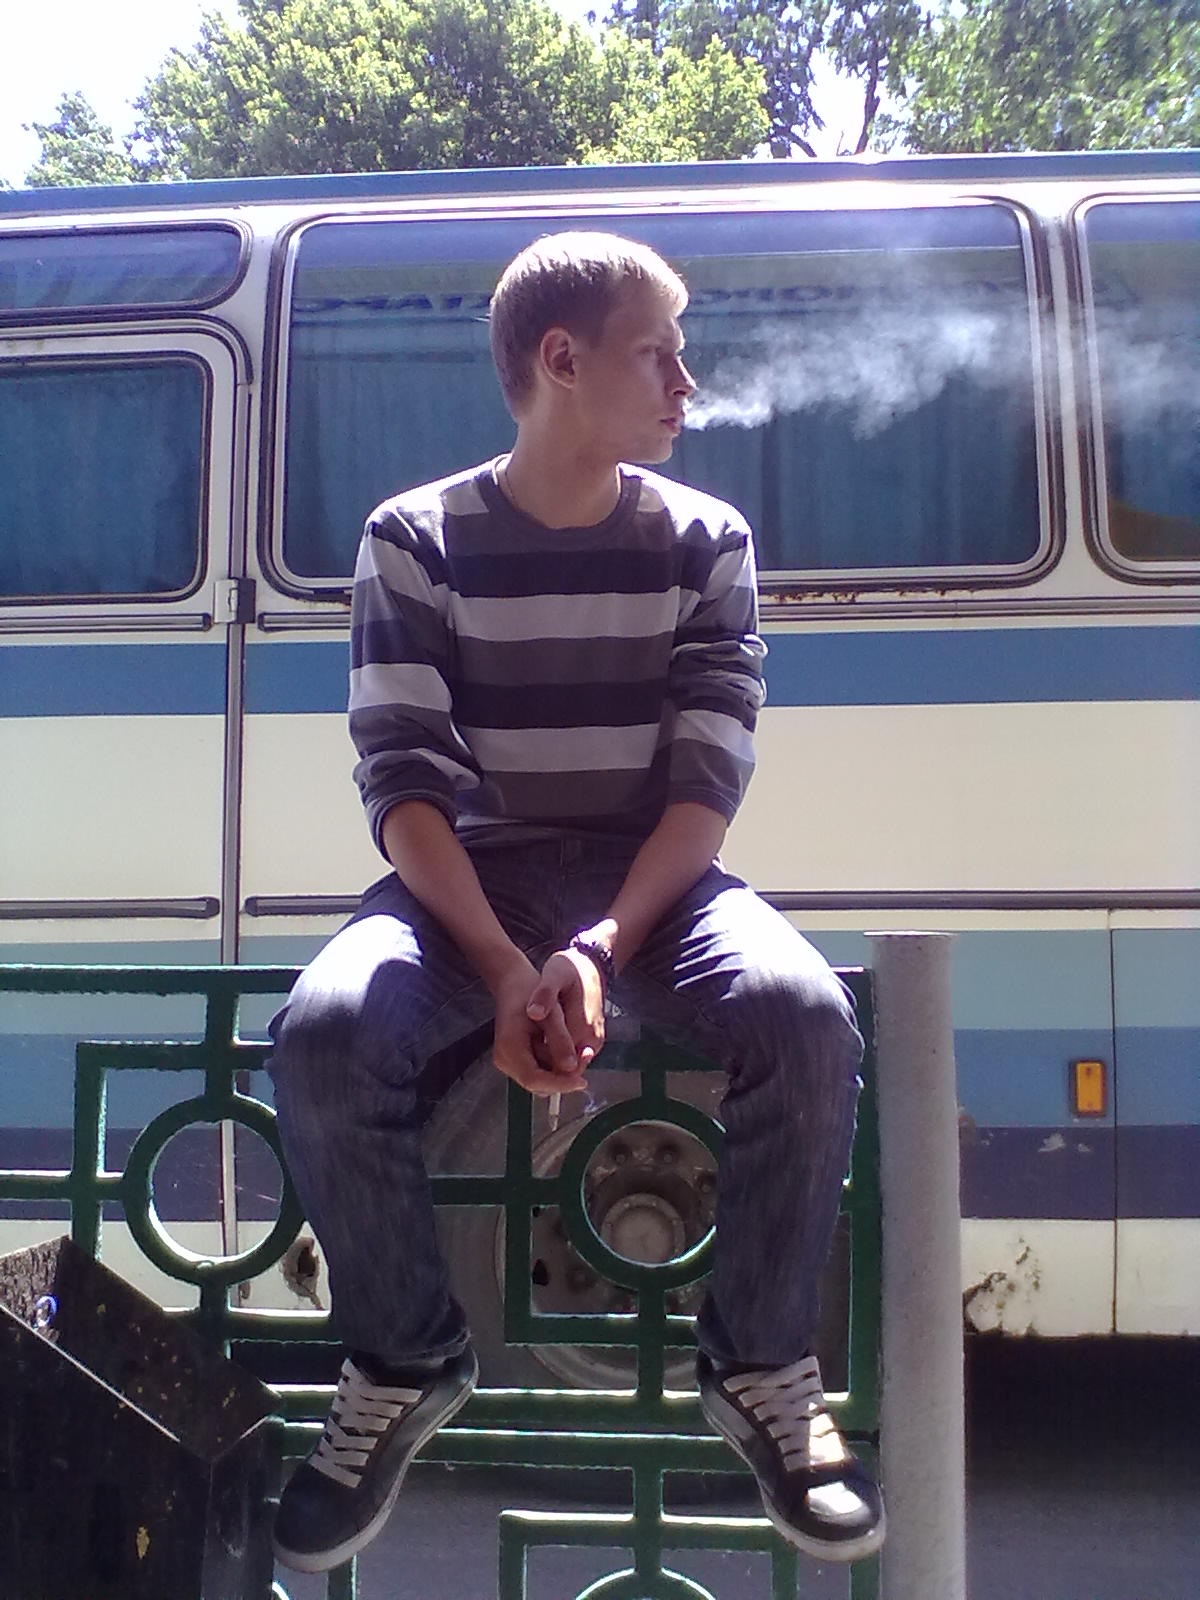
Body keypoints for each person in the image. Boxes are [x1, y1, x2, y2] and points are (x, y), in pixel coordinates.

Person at [268, 231, 885, 1575]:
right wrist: (503, 967)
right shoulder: (413, 539)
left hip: (651, 881)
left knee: (804, 1016)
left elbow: (706, 780)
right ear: (562, 359)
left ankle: (761, 1368)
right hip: (464, 887)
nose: (686, 382)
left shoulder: (706, 540)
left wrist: (601, 942)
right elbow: (404, 783)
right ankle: (405, 1359)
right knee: (322, 1033)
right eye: (659, 352)